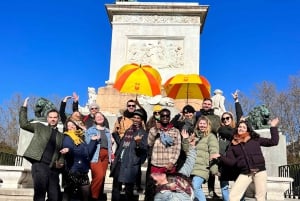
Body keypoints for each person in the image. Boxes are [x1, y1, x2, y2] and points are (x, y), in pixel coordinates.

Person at [218, 117, 280, 201]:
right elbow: (232, 162)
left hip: (260, 171)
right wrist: (220, 156)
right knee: (233, 196)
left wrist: (273, 127)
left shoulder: (254, 139)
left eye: (244, 127)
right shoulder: (233, 145)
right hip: (245, 172)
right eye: (240, 127)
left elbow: (274, 141)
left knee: (260, 198)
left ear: (247, 129)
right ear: (237, 128)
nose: (241, 128)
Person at [19, 97, 65, 201]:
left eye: (55, 117)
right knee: (40, 196)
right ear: (47, 118)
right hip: (39, 165)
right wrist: (24, 107)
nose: (53, 119)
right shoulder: (39, 127)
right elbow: (24, 124)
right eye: (50, 117)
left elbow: (62, 152)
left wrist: (61, 162)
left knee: (55, 197)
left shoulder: (61, 135)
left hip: (53, 168)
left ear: (58, 119)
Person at [110, 109, 148, 201]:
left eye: (138, 118)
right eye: (134, 117)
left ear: (141, 120)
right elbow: (122, 144)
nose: (135, 119)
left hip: (130, 162)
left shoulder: (143, 133)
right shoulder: (128, 130)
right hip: (120, 160)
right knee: (116, 186)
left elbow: (144, 151)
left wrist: (138, 144)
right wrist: (115, 134)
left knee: (128, 189)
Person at [181, 115, 219, 201]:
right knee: (191, 190)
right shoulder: (195, 137)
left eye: (204, 123)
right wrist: (185, 139)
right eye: (200, 123)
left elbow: (214, 152)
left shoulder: (210, 136)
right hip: (192, 167)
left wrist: (214, 168)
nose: (202, 125)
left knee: (195, 186)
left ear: (208, 125)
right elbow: (187, 151)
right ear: (197, 125)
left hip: (203, 167)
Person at [60, 119, 99, 201]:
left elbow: (88, 152)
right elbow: (68, 147)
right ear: (66, 128)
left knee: (85, 193)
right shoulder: (67, 137)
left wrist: (93, 141)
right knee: (69, 193)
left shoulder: (80, 137)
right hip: (73, 169)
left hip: (82, 169)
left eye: (73, 125)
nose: (72, 127)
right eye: (69, 126)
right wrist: (68, 150)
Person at [147, 108, 181, 201]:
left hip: (169, 165)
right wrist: (156, 130)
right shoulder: (153, 129)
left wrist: (172, 162)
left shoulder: (175, 131)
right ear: (160, 117)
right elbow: (149, 143)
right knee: (155, 189)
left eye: (167, 116)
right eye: (163, 116)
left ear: (169, 117)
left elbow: (177, 148)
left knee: (169, 189)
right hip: (156, 164)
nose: (165, 118)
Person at [150, 134, 197, 201]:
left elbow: (189, 163)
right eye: (155, 175)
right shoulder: (161, 195)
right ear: (156, 183)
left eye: (156, 173)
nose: (158, 173)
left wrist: (192, 146)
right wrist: (175, 188)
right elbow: (185, 198)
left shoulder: (177, 178)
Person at [217, 90, 243, 201]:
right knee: (224, 185)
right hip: (224, 159)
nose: (225, 120)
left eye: (228, 118)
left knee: (239, 184)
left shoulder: (236, 129)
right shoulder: (222, 129)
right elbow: (231, 134)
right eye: (223, 119)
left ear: (231, 119)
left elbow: (240, 116)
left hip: (236, 160)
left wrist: (236, 101)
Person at [195, 98, 221, 198]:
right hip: (199, 143)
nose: (206, 105)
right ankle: (199, 191)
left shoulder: (215, 117)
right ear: (202, 104)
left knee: (211, 166)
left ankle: (211, 190)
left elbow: (216, 128)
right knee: (198, 168)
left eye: (208, 104)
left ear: (211, 105)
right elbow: (194, 127)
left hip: (210, 142)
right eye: (205, 104)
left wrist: (205, 120)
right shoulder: (197, 115)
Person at [85, 112, 113, 201]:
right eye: (97, 117)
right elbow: (87, 142)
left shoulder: (107, 131)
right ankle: (93, 197)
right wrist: (92, 139)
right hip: (95, 155)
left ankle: (97, 196)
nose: (100, 118)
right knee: (99, 176)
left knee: (101, 178)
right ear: (94, 120)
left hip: (105, 155)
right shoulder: (90, 130)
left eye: (101, 116)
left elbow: (109, 145)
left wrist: (111, 142)